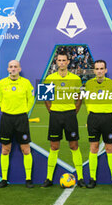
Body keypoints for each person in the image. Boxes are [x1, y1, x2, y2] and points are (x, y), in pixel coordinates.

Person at [41, 51, 85, 188]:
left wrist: (74, 111)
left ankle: (81, 178)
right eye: (59, 60)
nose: (61, 62)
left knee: (74, 145)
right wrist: (51, 111)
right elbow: (45, 98)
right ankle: (48, 178)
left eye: (64, 60)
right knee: (54, 146)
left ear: (68, 62)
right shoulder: (49, 78)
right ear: (56, 62)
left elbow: (80, 97)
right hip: (55, 115)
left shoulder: (76, 79)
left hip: (70, 115)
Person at [0, 60, 35, 188]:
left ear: (19, 69)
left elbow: (31, 99)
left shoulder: (26, 83)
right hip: (7, 119)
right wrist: (7, 109)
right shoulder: (2, 83)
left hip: (21, 119)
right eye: (11, 67)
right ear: (8, 69)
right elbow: (0, 99)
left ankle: (28, 179)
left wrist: (23, 111)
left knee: (26, 149)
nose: (13, 69)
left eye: (15, 67)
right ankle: (3, 179)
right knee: (5, 149)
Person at [84, 60, 112, 189]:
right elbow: (87, 100)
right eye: (97, 68)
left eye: (102, 68)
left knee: (109, 148)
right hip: (93, 118)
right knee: (93, 148)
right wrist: (91, 114)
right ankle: (92, 179)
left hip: (107, 118)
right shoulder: (88, 84)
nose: (99, 71)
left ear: (105, 70)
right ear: (94, 71)